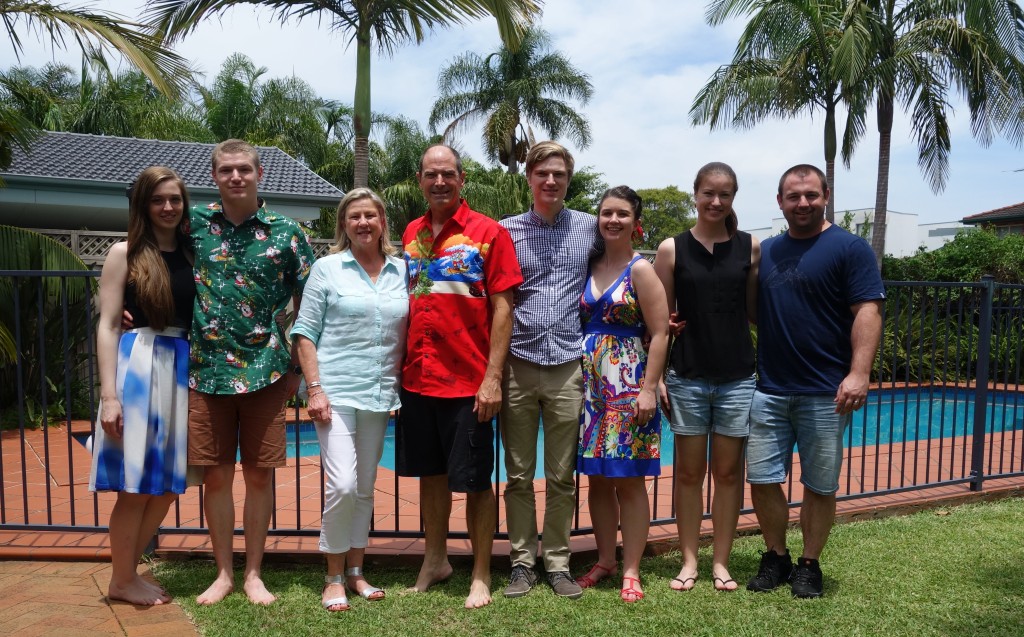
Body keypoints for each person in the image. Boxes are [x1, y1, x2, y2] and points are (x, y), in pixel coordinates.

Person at [746, 164, 884, 598]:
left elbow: (867, 310)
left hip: (828, 393)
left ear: (825, 195)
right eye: (793, 196)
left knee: (820, 484)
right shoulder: (766, 251)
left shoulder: (849, 248)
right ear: (780, 201)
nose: (802, 203)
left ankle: (809, 564)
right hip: (769, 388)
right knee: (763, 478)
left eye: (810, 195)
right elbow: (752, 311)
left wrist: (859, 372)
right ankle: (776, 556)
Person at [186, 139, 314, 605]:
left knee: (260, 476)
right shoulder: (193, 225)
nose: (235, 177)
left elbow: (310, 302)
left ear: (260, 173)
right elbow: (154, 263)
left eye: (244, 169)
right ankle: (223, 572)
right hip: (206, 371)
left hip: (267, 369)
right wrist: (129, 310)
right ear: (215, 176)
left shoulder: (287, 232)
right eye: (226, 170)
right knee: (216, 477)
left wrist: (299, 368)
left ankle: (254, 573)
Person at [397, 144, 523, 609]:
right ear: (420, 179)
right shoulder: (411, 234)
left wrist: (493, 377)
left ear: (461, 178)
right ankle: (435, 559)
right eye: (431, 174)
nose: (439, 182)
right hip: (417, 378)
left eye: (447, 174)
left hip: (469, 382)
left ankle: (482, 573)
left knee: (473, 482)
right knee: (430, 477)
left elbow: (503, 308)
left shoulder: (488, 233)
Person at [291, 188, 408, 611]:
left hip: (379, 393)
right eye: (354, 216)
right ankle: (333, 576)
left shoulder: (401, 270)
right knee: (341, 484)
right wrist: (315, 388)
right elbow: (304, 332)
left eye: (370, 216)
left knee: (363, 488)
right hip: (334, 392)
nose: (362, 223)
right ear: (344, 224)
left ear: (382, 223)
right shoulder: (327, 268)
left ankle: (357, 572)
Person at [91, 166, 199, 605]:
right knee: (135, 486)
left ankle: (125, 574)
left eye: (175, 199)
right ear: (143, 205)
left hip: (181, 368)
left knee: (169, 486)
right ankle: (122, 580)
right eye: (158, 200)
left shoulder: (195, 252)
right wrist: (109, 396)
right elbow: (109, 323)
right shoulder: (125, 252)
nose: (168, 207)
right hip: (139, 367)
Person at [653, 162, 759, 592]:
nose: (716, 202)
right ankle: (690, 561)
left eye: (725, 194)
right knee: (690, 474)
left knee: (730, 474)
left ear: (733, 198)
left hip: (738, 376)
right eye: (708, 193)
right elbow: (659, 323)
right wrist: (655, 378)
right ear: (694, 194)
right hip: (688, 375)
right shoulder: (671, 249)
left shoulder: (752, 248)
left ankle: (721, 562)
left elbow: (754, 313)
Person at [498, 141, 595, 600]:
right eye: (542, 174)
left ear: (568, 179)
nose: (550, 181)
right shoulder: (505, 231)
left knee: (561, 475)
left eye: (558, 174)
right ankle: (521, 563)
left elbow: (622, 271)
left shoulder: (592, 228)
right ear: (529, 178)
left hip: (567, 366)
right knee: (518, 475)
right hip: (517, 362)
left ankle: (557, 563)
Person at [577, 186, 670, 603]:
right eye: (606, 213)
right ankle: (605, 559)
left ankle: (631, 568)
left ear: (636, 222)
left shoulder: (641, 269)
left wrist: (649, 388)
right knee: (597, 479)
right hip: (591, 391)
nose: (613, 220)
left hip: (629, 386)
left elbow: (661, 331)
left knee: (629, 482)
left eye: (622, 214)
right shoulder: (590, 263)